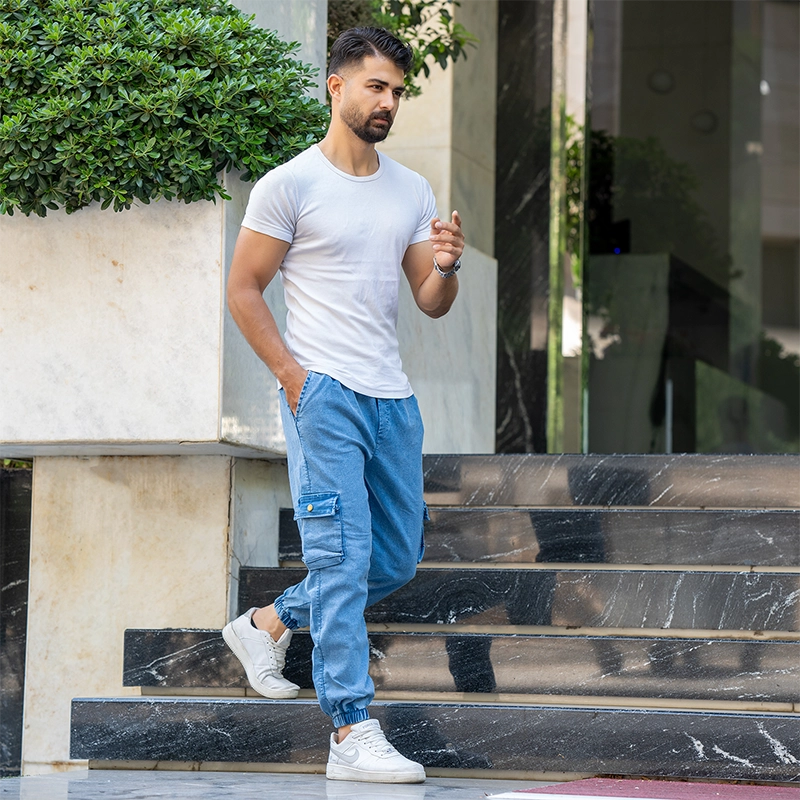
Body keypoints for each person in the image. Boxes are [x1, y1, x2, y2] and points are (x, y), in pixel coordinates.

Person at [222, 26, 465, 784]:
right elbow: (243, 289)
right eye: (376, 87)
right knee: (339, 557)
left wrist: (446, 266)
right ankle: (350, 729)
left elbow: (430, 300)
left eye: (397, 91)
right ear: (337, 86)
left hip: (392, 399)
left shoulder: (411, 189)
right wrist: (294, 378)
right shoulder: (289, 184)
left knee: (392, 558)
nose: (388, 101)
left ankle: (268, 623)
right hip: (323, 393)